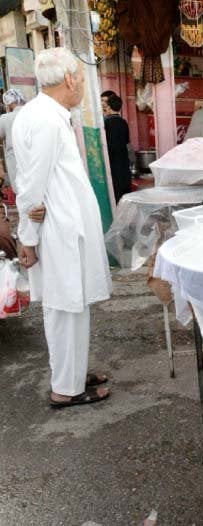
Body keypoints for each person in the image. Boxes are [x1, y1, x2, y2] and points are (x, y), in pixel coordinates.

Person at [14, 47, 112, 408]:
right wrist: (27, 238)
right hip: (58, 231)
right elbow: (30, 186)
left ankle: (72, 373)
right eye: (82, 78)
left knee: (72, 306)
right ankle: (66, 390)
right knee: (66, 307)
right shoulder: (45, 119)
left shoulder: (47, 115)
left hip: (62, 228)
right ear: (71, 79)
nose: (83, 85)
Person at [103, 93, 132, 202]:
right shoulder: (124, 122)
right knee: (124, 190)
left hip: (111, 161)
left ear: (108, 107)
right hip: (123, 160)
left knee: (115, 191)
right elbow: (127, 142)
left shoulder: (105, 123)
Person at [0, 89, 26, 191]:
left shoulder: (6, 118)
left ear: (10, 104)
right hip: (36, 163)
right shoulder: (35, 114)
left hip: (16, 163)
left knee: (23, 196)